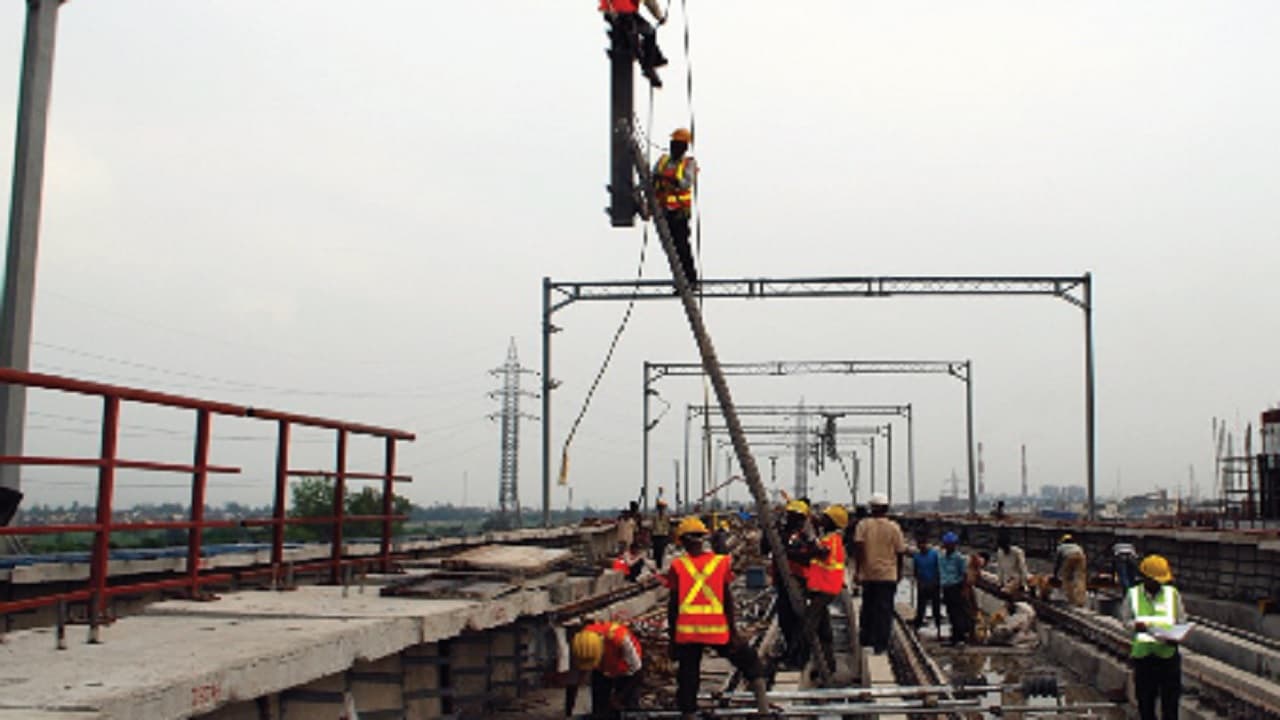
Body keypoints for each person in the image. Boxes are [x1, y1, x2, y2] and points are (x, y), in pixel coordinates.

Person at [668, 516, 769, 719]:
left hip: (688, 631)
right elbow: (727, 600)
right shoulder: (720, 563)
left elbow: (673, 606)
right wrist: (733, 632)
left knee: (688, 675)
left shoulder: (677, 566)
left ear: (682, 541)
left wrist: (673, 639)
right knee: (749, 661)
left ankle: (688, 714)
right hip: (717, 629)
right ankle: (763, 708)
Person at [1120, 555, 1187, 720]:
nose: (1159, 584)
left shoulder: (1173, 594)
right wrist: (1137, 626)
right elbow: (1126, 620)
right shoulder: (1133, 595)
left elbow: (1181, 620)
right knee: (1146, 705)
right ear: (1145, 577)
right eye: (1155, 580)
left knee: (1170, 707)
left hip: (1168, 656)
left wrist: (1176, 635)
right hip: (1144, 658)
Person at [762, 499, 815, 667]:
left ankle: (798, 656)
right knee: (785, 618)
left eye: (796, 516)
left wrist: (785, 553)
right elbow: (764, 549)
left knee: (799, 620)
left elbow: (808, 556)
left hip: (800, 581)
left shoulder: (806, 535)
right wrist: (768, 533)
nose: (792, 519)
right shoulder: (781, 533)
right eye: (790, 515)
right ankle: (790, 652)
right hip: (783, 581)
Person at [853, 493, 907, 654]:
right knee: (884, 611)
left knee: (868, 607)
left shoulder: (863, 525)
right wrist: (899, 572)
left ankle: (866, 640)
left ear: (871, 508)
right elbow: (900, 552)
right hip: (888, 575)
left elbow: (858, 549)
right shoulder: (894, 527)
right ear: (887, 508)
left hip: (869, 574)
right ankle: (881, 644)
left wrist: (858, 570)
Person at [803, 505, 848, 677]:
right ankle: (828, 665)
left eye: (825, 517)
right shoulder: (831, 538)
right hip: (824, 588)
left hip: (824, 588)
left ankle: (799, 659)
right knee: (824, 629)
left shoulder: (831, 540)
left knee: (808, 626)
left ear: (832, 522)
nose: (821, 519)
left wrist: (809, 540)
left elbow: (819, 553)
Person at [565, 620, 643, 718]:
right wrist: (568, 712)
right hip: (603, 670)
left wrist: (618, 697)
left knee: (627, 708)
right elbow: (574, 679)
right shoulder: (583, 643)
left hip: (627, 672)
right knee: (600, 708)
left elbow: (638, 673)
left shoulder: (621, 639)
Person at [653, 129, 699, 286]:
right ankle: (679, 280)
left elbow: (686, 183)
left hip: (679, 212)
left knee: (681, 247)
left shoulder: (689, 163)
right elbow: (653, 178)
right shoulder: (663, 161)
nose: (674, 147)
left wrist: (667, 179)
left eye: (678, 144)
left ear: (685, 147)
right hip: (663, 211)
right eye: (673, 144)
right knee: (670, 248)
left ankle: (690, 280)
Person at [598, 0, 668, 87]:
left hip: (625, 14)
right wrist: (659, 17)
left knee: (648, 32)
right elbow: (650, 3)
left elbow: (650, 2)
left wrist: (659, 17)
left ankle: (650, 62)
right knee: (636, 37)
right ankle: (648, 66)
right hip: (620, 14)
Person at [939, 531, 971, 645]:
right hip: (946, 587)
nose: (948, 546)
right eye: (947, 543)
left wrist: (964, 590)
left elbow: (964, 575)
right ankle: (954, 637)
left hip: (956, 587)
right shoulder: (942, 557)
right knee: (950, 612)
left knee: (959, 613)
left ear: (954, 544)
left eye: (950, 544)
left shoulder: (959, 558)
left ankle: (960, 638)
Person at [911, 536, 942, 635]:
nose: (921, 546)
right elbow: (915, 571)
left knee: (936, 608)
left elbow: (938, 569)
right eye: (919, 545)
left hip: (934, 585)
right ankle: (917, 627)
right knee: (921, 608)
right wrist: (918, 581)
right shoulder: (917, 556)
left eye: (923, 544)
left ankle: (939, 629)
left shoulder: (934, 554)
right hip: (923, 585)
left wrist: (937, 582)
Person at [1054, 533, 1088, 608]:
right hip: (1081, 557)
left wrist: (1055, 574)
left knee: (1067, 579)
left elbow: (1058, 562)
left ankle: (1071, 599)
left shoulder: (1061, 547)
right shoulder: (1077, 546)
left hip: (1069, 557)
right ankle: (1081, 601)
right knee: (1080, 579)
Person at [995, 528, 1028, 594]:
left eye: (1005, 546)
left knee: (1007, 591)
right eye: (1003, 547)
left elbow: (1023, 569)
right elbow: (1000, 568)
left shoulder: (1017, 552)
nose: (1004, 549)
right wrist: (999, 583)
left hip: (1016, 580)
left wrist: (1024, 585)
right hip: (1006, 580)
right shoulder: (1000, 552)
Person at [651, 500, 672, 568]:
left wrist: (668, 535)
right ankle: (657, 563)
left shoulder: (666, 516)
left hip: (663, 535)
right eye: (660, 507)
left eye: (662, 507)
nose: (661, 509)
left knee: (661, 550)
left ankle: (659, 565)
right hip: (656, 535)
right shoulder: (654, 516)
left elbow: (668, 525)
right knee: (656, 550)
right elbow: (652, 525)